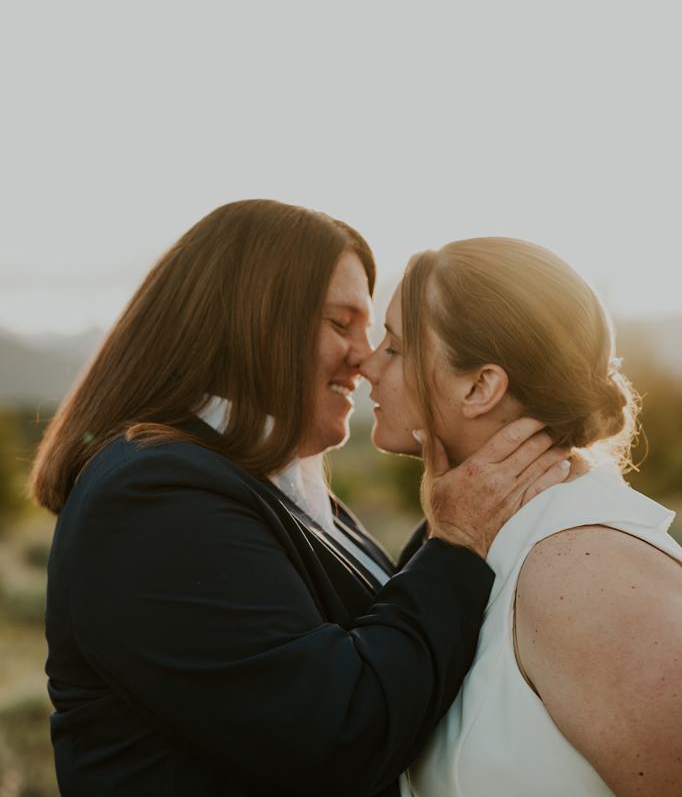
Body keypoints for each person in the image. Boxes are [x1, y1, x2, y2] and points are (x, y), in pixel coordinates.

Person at [31, 202, 569, 797]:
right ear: (251, 322)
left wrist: (471, 502)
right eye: (342, 324)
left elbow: (382, 634)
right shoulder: (153, 502)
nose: (365, 358)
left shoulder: (273, 485)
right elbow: (334, 734)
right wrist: (458, 543)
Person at [360, 237, 682, 797]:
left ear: (480, 386)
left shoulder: (586, 573)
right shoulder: (492, 544)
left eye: (393, 347)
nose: (367, 365)